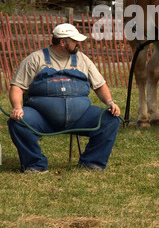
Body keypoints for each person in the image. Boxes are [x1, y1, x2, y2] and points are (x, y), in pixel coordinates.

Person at [8, 23, 121, 173]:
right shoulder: (35, 59)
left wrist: (110, 102)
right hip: (43, 118)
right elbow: (17, 87)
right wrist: (17, 107)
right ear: (62, 42)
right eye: (75, 41)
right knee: (17, 123)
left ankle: (92, 162)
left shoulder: (83, 60)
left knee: (110, 119)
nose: (78, 44)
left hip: (81, 117)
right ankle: (35, 164)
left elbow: (100, 85)